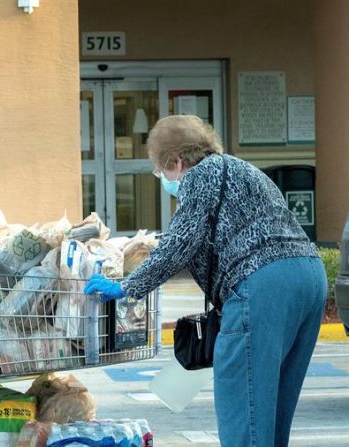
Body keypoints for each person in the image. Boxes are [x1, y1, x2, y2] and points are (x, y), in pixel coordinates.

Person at [85, 115, 326, 447]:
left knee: (244, 404)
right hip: (309, 277)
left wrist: (128, 286)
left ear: (177, 161)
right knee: (273, 406)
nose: (164, 179)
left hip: (262, 282)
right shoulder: (243, 169)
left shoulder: (199, 176)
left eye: (161, 170)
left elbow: (180, 242)